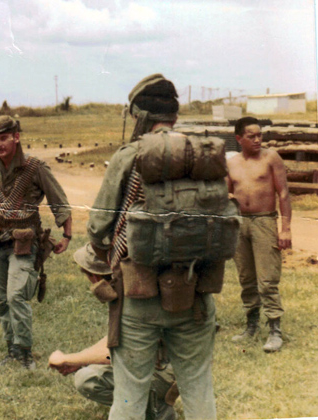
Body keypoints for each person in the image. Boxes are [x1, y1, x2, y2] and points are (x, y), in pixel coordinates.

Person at [87, 74, 217, 419]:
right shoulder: (202, 152)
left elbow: (98, 227)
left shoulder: (130, 155)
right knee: (199, 391)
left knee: (129, 394)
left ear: (140, 115)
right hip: (196, 293)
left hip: (139, 294)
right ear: (174, 115)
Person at [0, 115, 72, 369]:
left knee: (16, 295)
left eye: (4, 138)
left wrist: (67, 236)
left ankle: (25, 352)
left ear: (16, 137)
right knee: (1, 299)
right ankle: (12, 350)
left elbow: (59, 202)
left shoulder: (35, 167)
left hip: (24, 244)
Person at [48, 244, 178, 420]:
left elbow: (116, 351)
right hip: (171, 365)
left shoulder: (133, 298)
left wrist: (67, 359)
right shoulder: (135, 287)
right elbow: (114, 340)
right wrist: (80, 359)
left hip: (164, 369)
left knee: (88, 379)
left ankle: (150, 407)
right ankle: (155, 406)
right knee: (89, 372)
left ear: (95, 276)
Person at [227, 116, 291, 352]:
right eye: (251, 136)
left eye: (259, 135)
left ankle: (275, 329)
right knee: (246, 278)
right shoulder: (232, 162)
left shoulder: (270, 157)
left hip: (264, 221)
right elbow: (226, 194)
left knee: (267, 280)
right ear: (238, 138)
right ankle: (251, 325)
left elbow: (283, 193)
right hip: (240, 224)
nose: (257, 140)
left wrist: (286, 227)